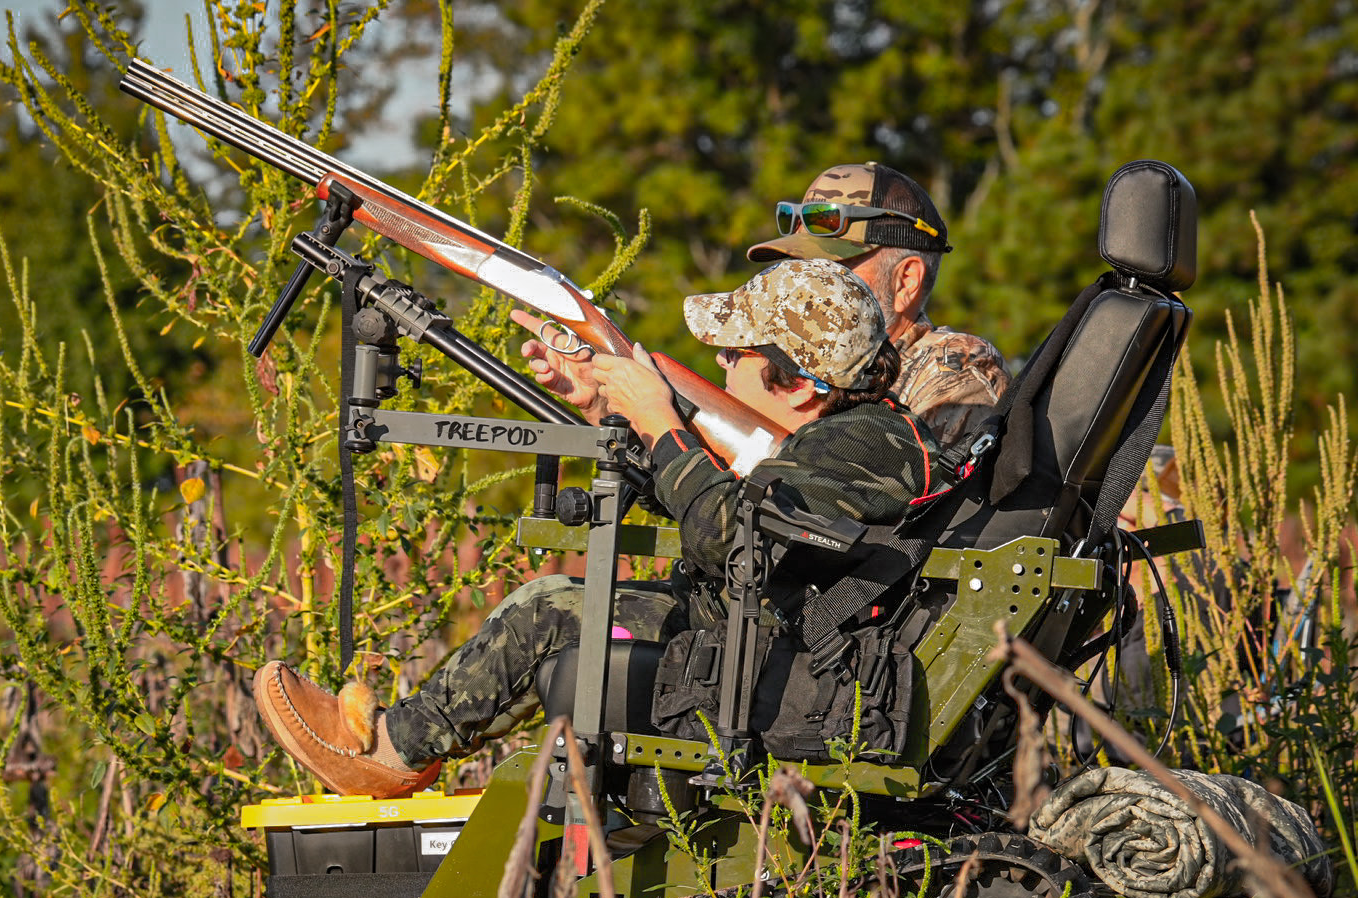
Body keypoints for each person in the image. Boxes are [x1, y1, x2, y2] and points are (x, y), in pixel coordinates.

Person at [253, 259, 935, 797]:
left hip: (775, 663)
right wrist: (602, 405)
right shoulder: (842, 433)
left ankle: (384, 754)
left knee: (548, 612)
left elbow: (732, 540)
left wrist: (666, 426)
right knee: (549, 601)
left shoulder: (867, 446)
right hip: (748, 630)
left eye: (735, 357)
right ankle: (402, 751)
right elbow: (717, 507)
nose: (720, 370)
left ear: (798, 386)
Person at [746, 162, 1010, 447]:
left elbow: (869, 483)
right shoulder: (799, 364)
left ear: (906, 281)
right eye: (799, 268)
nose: (804, 289)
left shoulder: (959, 371)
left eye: (833, 272)